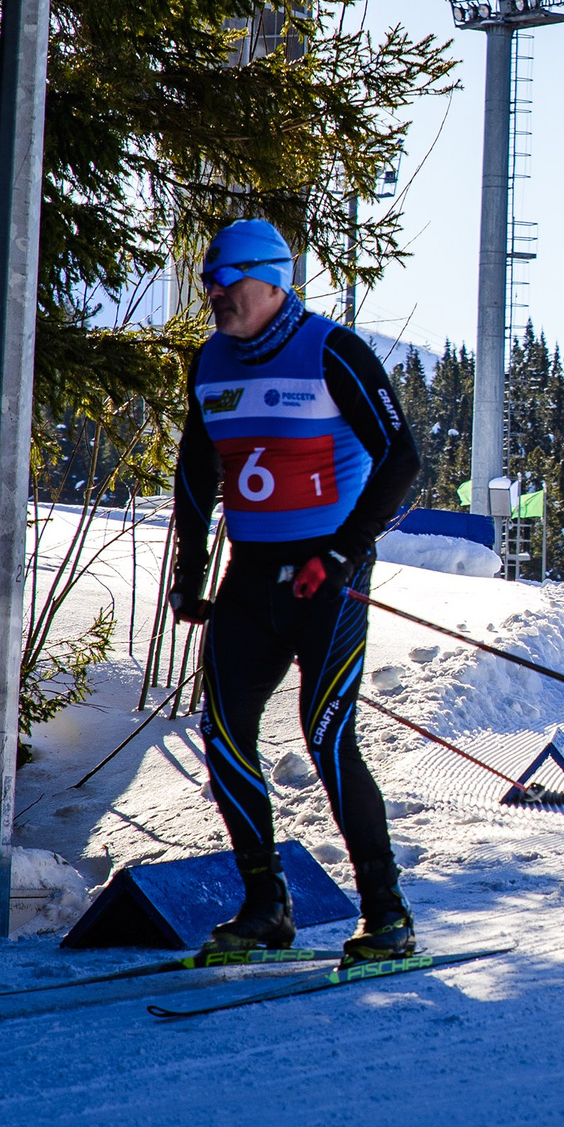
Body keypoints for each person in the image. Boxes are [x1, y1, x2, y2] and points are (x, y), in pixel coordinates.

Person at [169, 218, 422, 957]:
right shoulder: (211, 363)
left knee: (327, 729)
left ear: (273, 280)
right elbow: (195, 474)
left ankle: (386, 912)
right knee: (224, 733)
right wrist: (187, 576)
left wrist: (343, 553)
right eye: (208, 281)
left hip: (326, 576)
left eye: (227, 281)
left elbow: (402, 457)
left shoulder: (332, 349)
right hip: (250, 574)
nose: (214, 293)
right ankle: (265, 903)